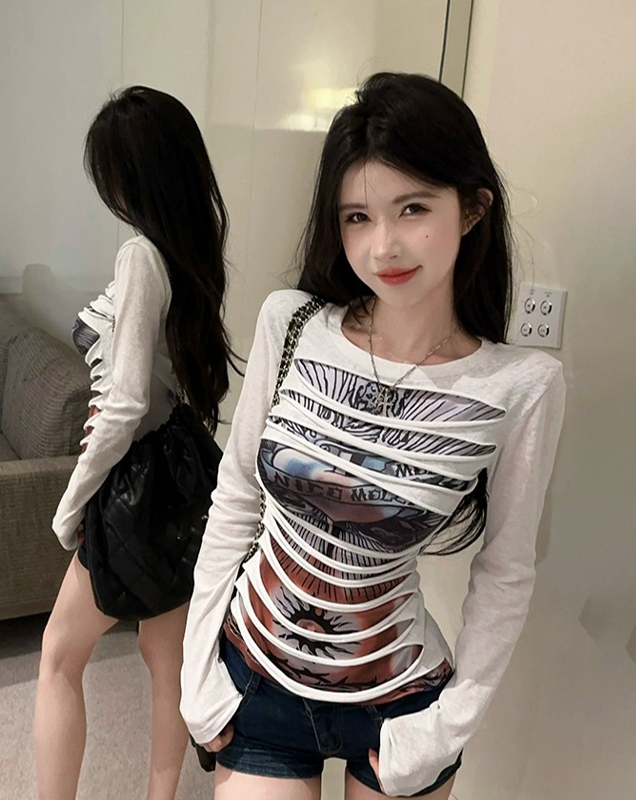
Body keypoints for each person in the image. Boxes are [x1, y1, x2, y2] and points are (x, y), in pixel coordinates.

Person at [179, 72, 566, 800]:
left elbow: (506, 572)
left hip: (400, 705)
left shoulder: (520, 387)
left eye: (412, 208)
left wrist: (445, 730)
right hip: (255, 676)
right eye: (357, 216)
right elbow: (234, 498)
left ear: (473, 207)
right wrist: (195, 673)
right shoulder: (291, 324)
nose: (383, 245)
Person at [34, 86, 236, 800]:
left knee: (59, 658)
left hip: (134, 482)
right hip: (179, 481)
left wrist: (70, 505)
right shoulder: (190, 252)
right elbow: (167, 386)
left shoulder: (141, 256)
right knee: (165, 658)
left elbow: (123, 404)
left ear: (132, 176)